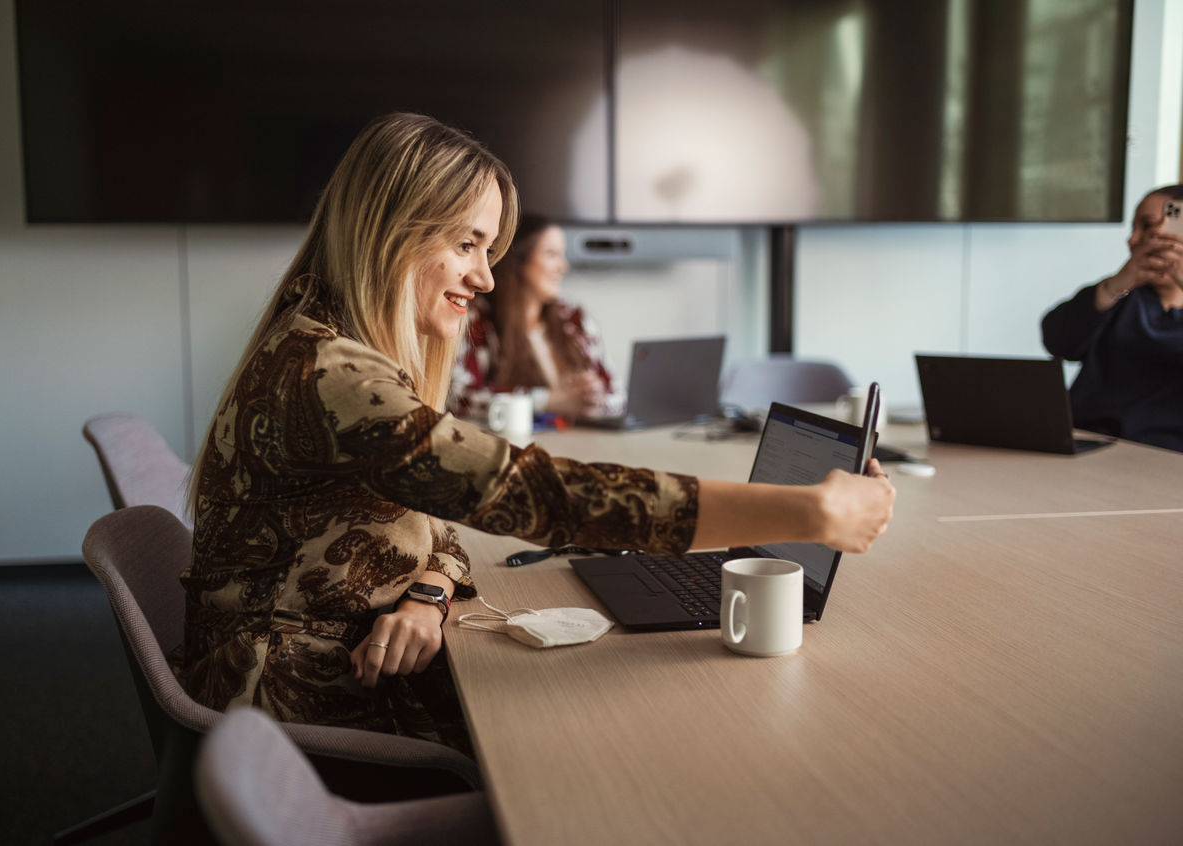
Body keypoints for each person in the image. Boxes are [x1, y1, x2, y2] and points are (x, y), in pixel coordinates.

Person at [181, 112, 895, 756]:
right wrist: (810, 512)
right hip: (294, 722)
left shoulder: (326, 343)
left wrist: (429, 595)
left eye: (490, 249)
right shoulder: (330, 375)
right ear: (392, 231)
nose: (485, 278)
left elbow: (437, 525)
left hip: (340, 673)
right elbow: (533, 495)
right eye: (468, 244)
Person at [1042, 184, 1183, 452]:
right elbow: (1058, 342)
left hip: (1167, 457)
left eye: (1148, 227)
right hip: (1089, 444)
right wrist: (1116, 284)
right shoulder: (1116, 298)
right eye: (1133, 228)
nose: (1133, 240)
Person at [448, 212, 620, 421]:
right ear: (518, 261)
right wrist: (549, 401)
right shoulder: (478, 317)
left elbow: (617, 395)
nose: (563, 267)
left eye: (562, 255)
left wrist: (595, 398)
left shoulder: (574, 317)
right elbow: (460, 397)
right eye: (551, 254)